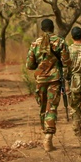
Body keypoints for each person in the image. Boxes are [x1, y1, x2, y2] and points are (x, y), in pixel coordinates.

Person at [25, 18, 72, 152]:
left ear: (42, 29)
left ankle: (45, 132)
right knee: (51, 108)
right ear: (53, 28)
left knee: (42, 108)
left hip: (40, 79)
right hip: (55, 79)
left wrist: (41, 64)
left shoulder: (35, 43)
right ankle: (48, 137)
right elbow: (67, 61)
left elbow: (29, 65)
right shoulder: (60, 41)